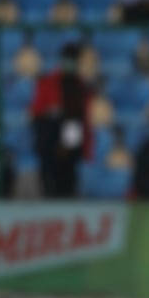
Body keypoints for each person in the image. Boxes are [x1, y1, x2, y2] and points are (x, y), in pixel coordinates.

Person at [30, 43, 93, 198]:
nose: (70, 63)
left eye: (73, 60)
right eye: (68, 59)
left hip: (71, 134)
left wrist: (82, 147)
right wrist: (50, 113)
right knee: (49, 182)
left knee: (67, 178)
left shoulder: (80, 86)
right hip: (49, 138)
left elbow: (82, 119)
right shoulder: (48, 82)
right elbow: (36, 111)